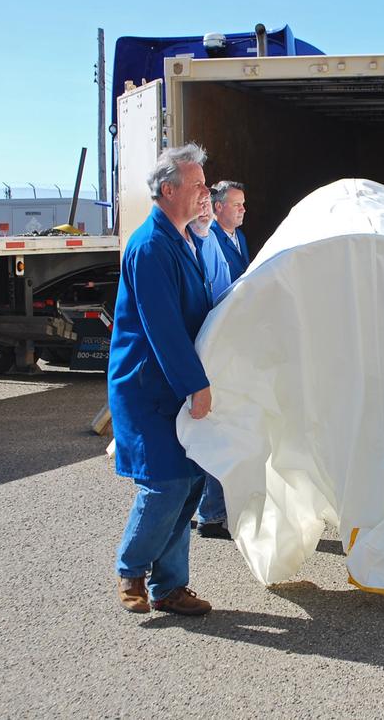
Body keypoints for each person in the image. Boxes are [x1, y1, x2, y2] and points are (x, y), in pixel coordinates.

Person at [110, 143, 216, 617]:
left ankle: (170, 587)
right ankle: (131, 568)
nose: (204, 193)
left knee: (190, 480)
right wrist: (196, 384)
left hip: (170, 383)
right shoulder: (151, 245)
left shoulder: (180, 238)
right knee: (165, 484)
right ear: (168, 190)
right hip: (149, 386)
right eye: (196, 185)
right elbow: (163, 327)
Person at [188, 198, 234, 540]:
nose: (204, 211)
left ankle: (210, 510)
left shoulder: (212, 241)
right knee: (210, 433)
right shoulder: (186, 245)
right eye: (200, 204)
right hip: (201, 353)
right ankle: (210, 513)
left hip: (215, 347)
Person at [209, 180, 250, 281]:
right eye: (237, 204)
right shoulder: (208, 238)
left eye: (242, 204)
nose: (243, 209)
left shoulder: (240, 236)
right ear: (219, 206)